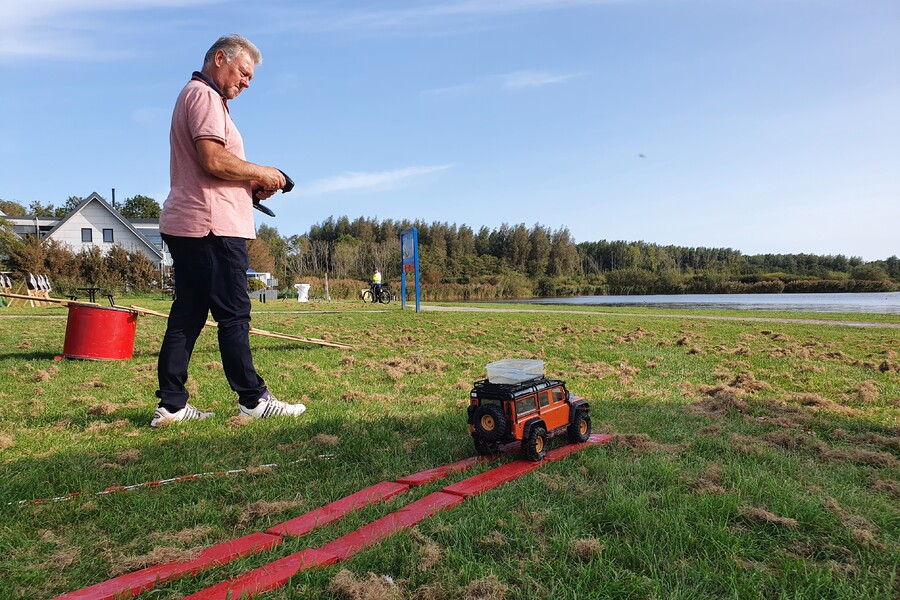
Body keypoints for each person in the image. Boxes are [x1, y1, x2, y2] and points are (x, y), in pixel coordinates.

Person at [152, 34, 306, 427]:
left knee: (187, 312)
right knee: (234, 314)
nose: (248, 82)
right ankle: (253, 400)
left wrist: (250, 186)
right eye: (243, 72)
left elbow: (213, 167)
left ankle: (172, 405)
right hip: (211, 226)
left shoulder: (199, 96)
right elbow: (213, 159)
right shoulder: (204, 96)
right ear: (220, 59)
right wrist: (265, 172)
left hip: (191, 221)